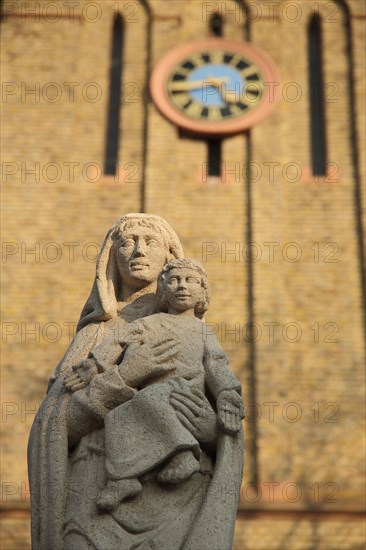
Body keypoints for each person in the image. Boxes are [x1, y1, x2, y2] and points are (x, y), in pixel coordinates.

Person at [28, 214, 244, 550]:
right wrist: (125, 376)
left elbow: (225, 408)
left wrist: (211, 430)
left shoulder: (197, 332)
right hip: (95, 495)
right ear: (111, 259)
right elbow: (56, 424)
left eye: (151, 242)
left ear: (168, 258)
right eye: (127, 242)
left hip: (178, 500)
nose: (138, 251)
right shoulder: (96, 333)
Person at [63, 259, 244, 510]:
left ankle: (182, 454)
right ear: (163, 290)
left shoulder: (202, 332)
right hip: (152, 394)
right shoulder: (149, 323)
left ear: (203, 291)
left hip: (185, 393)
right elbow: (117, 343)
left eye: (190, 281)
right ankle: (123, 479)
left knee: (152, 398)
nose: (181, 286)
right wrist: (93, 366)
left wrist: (227, 393)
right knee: (117, 417)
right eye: (174, 280)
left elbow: (217, 365)